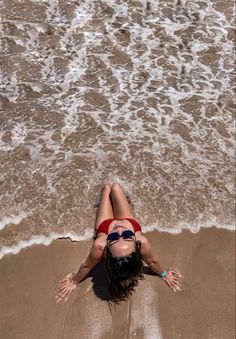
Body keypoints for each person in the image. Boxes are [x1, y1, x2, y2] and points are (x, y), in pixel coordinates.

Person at [55, 183, 182, 303]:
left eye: (115, 237)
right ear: (136, 245)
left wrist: (73, 281)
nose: (119, 230)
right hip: (129, 222)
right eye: (126, 237)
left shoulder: (100, 246)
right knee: (116, 187)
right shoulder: (142, 241)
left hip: (105, 226)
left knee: (106, 189)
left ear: (108, 247)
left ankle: (106, 190)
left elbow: (87, 266)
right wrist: (164, 274)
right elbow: (152, 261)